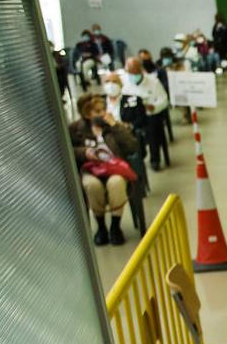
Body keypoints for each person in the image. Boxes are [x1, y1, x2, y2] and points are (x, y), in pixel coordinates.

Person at [71, 93, 138, 246]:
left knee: (116, 183)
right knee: (92, 186)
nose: (102, 113)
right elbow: (68, 151)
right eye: (97, 111)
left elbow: (132, 146)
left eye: (103, 109)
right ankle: (101, 226)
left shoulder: (112, 126)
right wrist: (84, 153)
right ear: (87, 114)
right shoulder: (75, 130)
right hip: (91, 170)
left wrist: (115, 126)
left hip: (114, 168)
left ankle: (115, 226)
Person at [123, 57, 169, 170]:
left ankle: (155, 160)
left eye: (135, 72)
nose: (133, 75)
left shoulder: (153, 81)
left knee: (153, 128)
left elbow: (164, 100)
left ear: (141, 70)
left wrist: (154, 107)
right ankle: (138, 156)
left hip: (150, 115)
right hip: (134, 117)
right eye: (130, 72)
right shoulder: (125, 84)